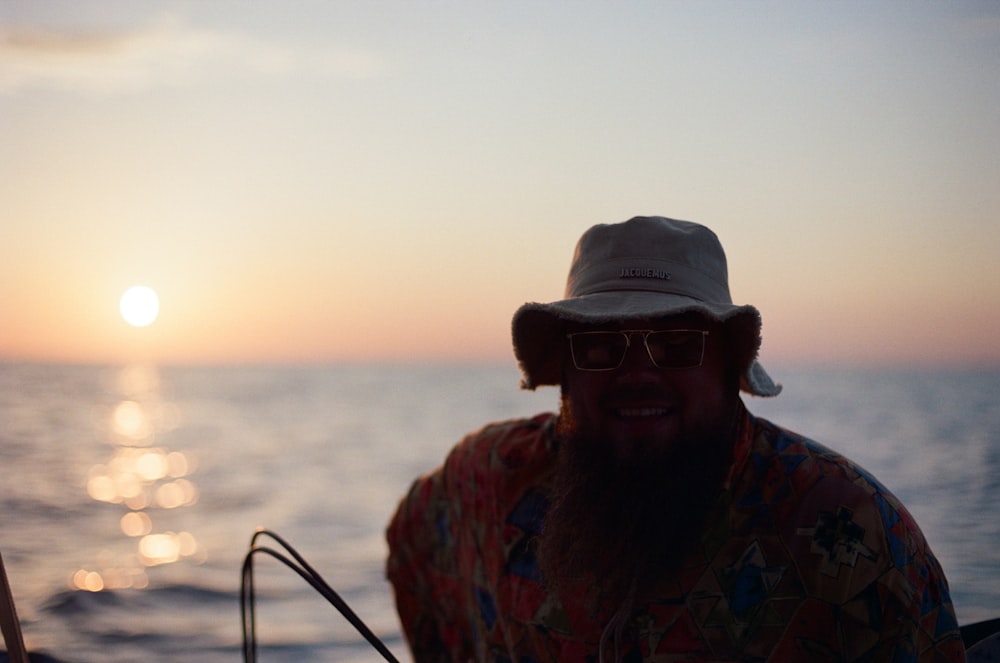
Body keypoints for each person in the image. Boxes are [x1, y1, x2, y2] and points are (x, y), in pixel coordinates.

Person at [385, 216, 966, 662]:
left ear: (726, 361)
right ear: (564, 367)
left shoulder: (848, 530)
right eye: (599, 344)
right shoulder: (491, 477)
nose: (637, 372)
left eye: (677, 342)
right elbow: (412, 545)